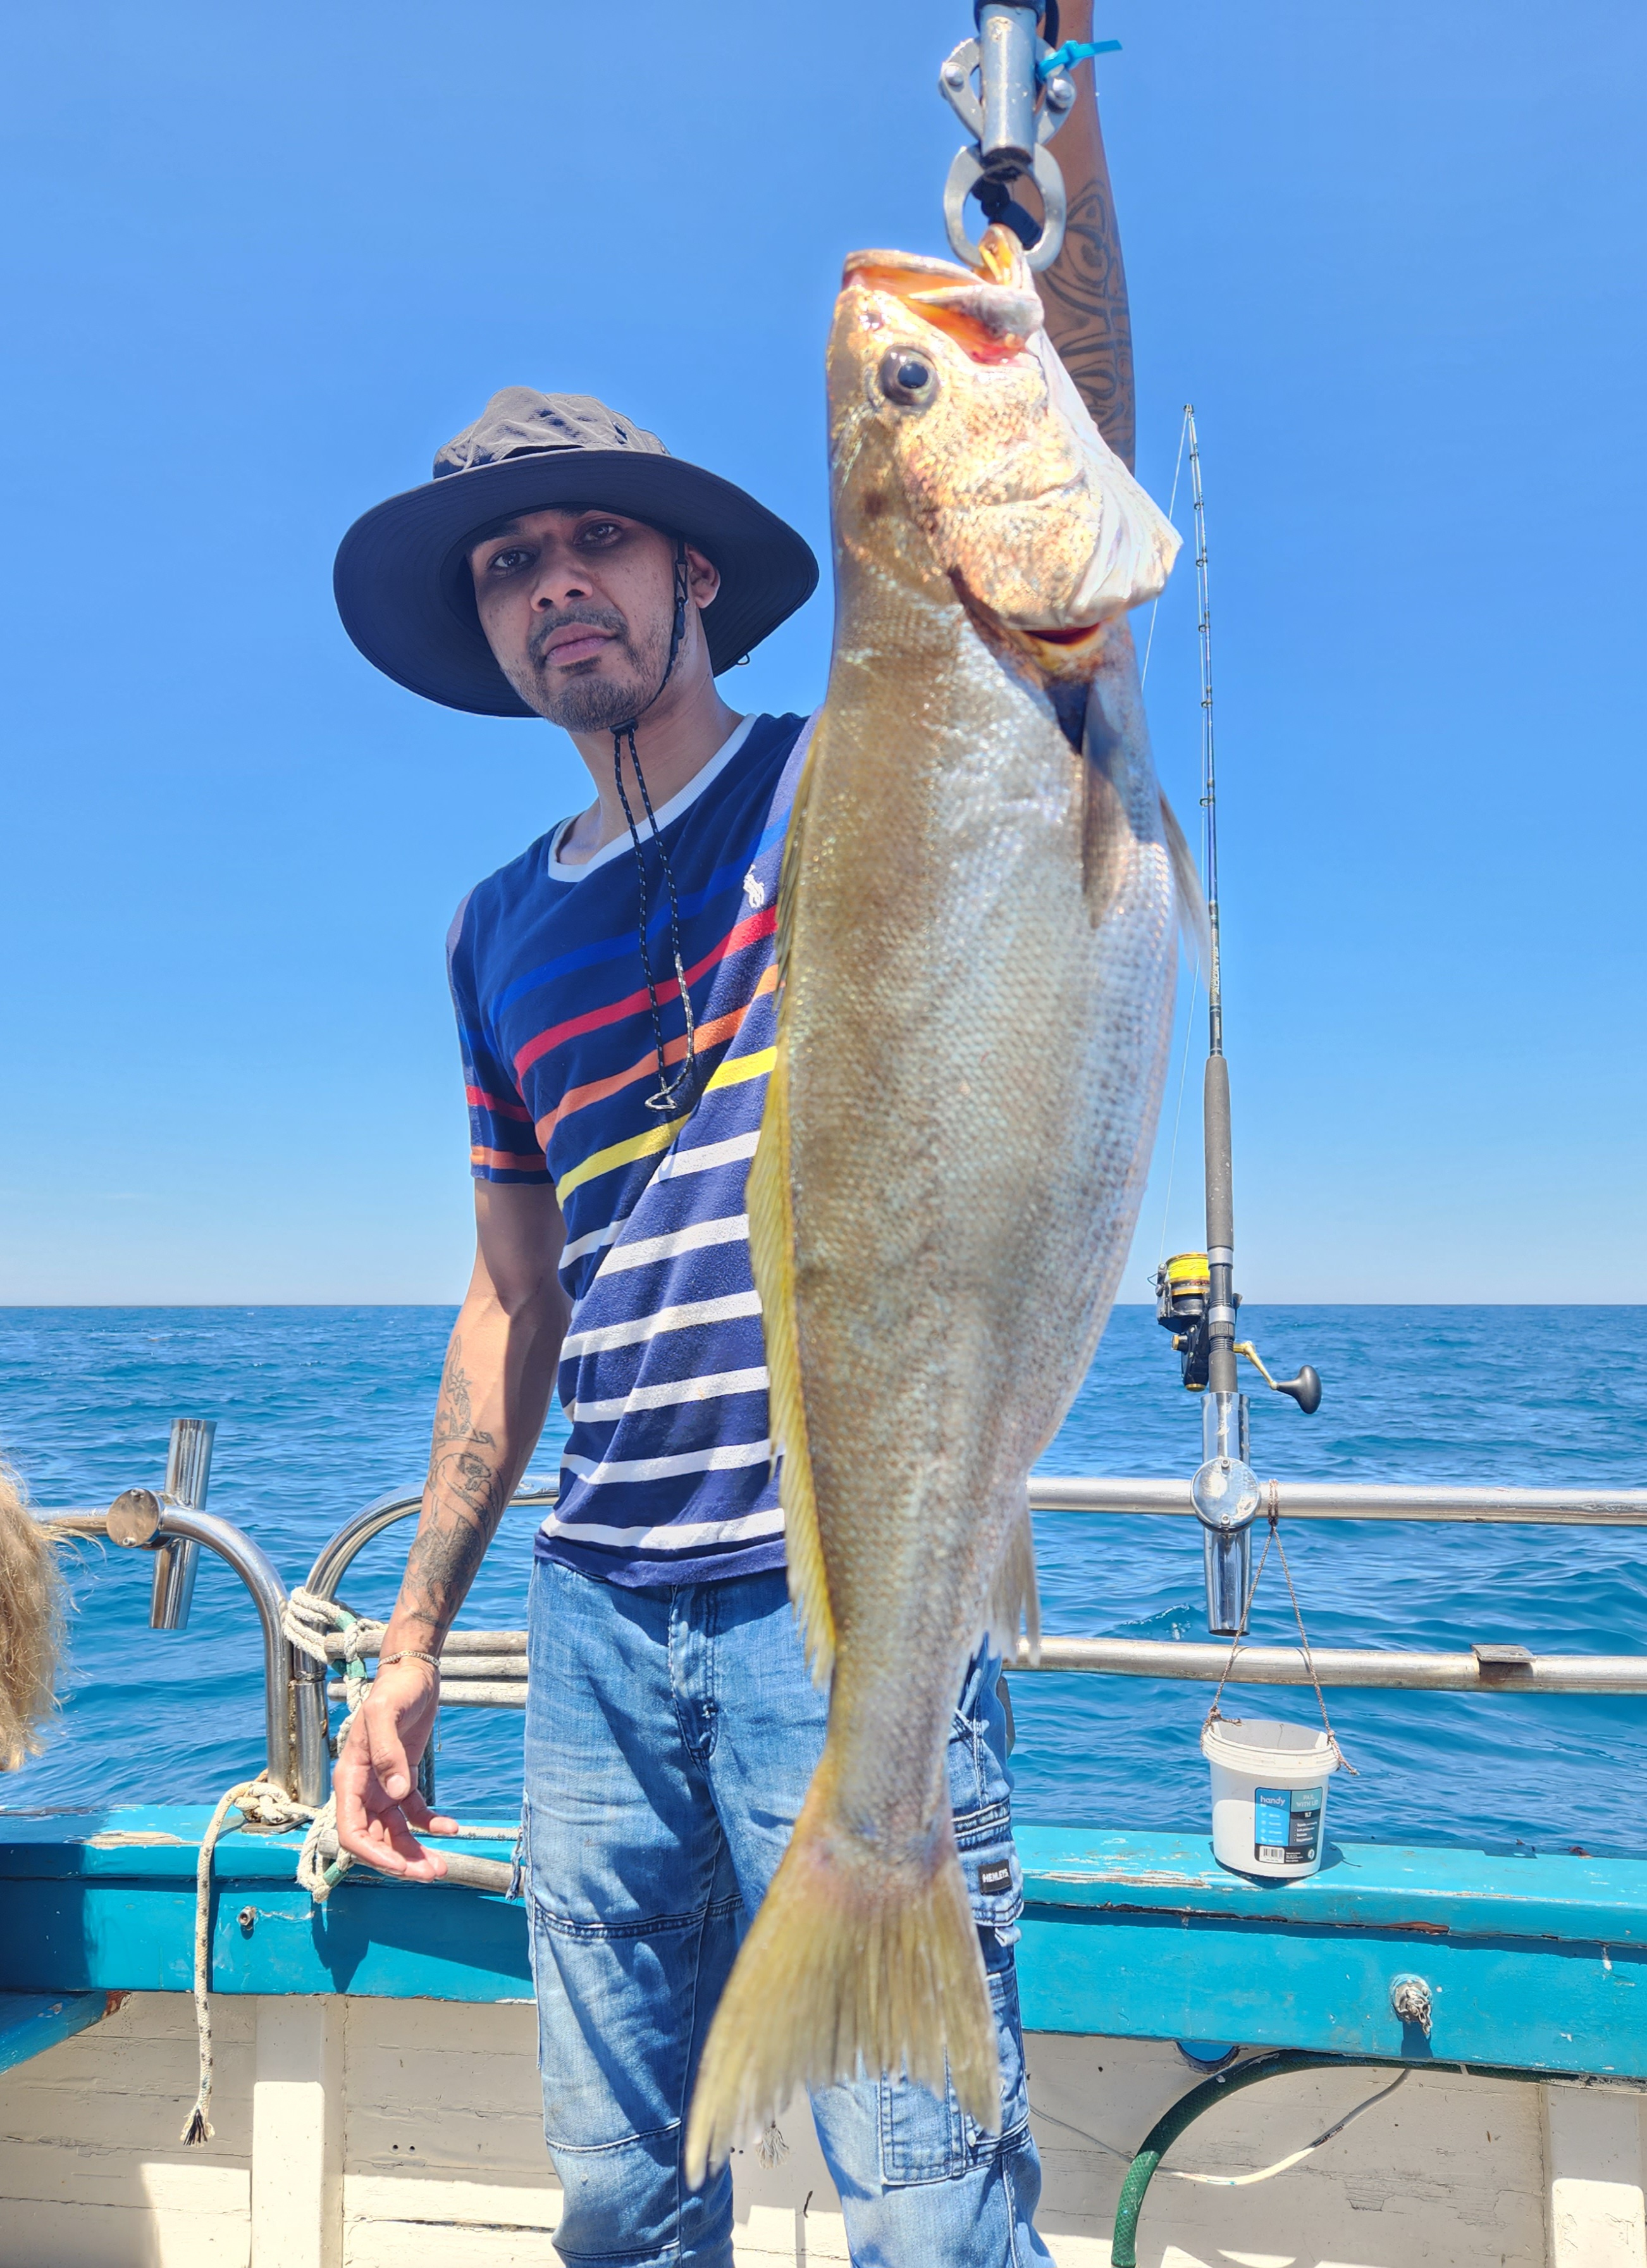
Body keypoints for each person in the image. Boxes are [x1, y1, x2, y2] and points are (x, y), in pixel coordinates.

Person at [330, 20, 1135, 2264]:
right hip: (592, 1612)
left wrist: (1052, 129)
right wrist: (408, 1646)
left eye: (599, 542)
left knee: (923, 2196)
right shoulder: (495, 931)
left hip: (841, 1587)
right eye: (511, 566)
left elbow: (1028, 480)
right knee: (615, 2184)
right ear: (487, 633)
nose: (555, 581)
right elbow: (515, 1302)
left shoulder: (861, 764)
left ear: (698, 580)